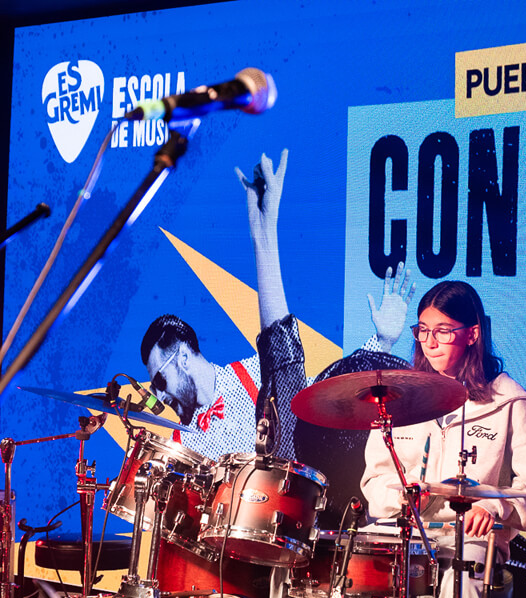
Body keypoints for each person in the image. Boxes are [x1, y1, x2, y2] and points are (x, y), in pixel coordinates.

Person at [141, 149, 415, 462]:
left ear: (183, 357)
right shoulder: (177, 445)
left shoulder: (254, 375)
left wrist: (382, 341)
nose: (157, 395)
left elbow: (328, 394)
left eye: (159, 380)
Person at [360, 280, 526, 598]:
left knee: (461, 583)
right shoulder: (401, 399)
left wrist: (493, 507)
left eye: (443, 331)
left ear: (472, 334)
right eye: (423, 331)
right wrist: (402, 496)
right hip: (404, 534)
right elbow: (375, 480)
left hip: (469, 540)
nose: (430, 342)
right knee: (338, 561)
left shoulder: (511, 403)